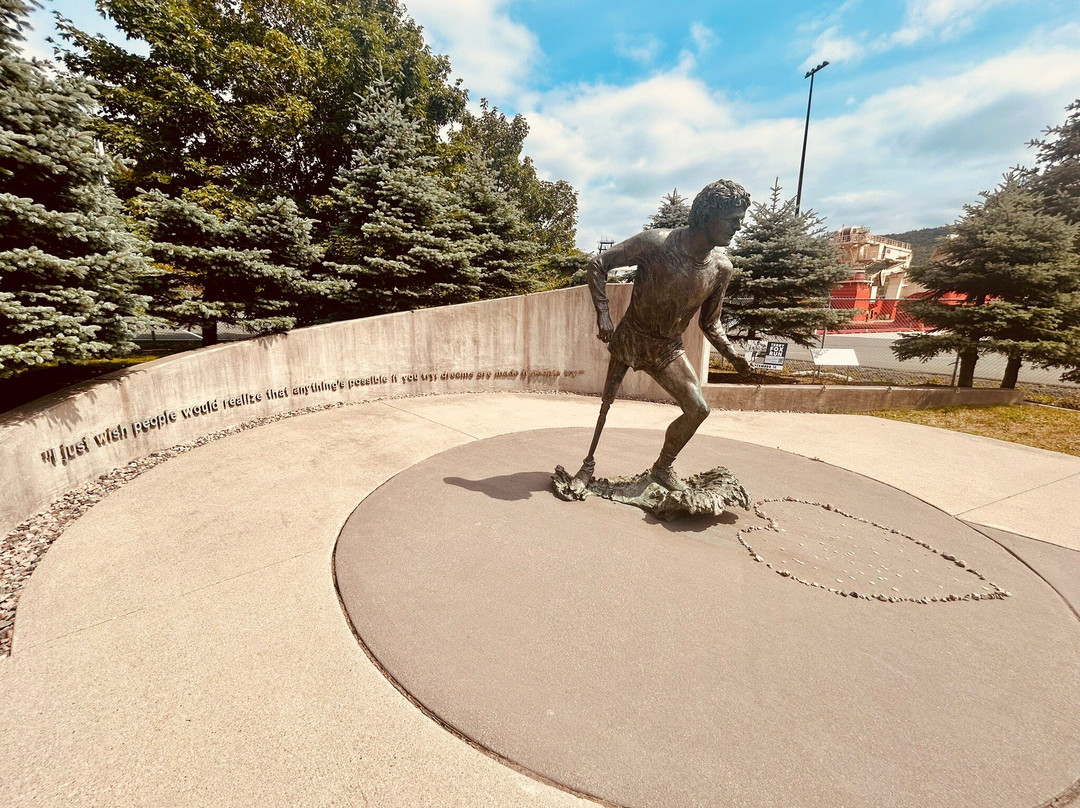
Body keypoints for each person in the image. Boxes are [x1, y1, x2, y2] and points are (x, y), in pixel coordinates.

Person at [579, 179, 753, 492]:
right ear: (707, 216)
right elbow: (598, 264)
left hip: (668, 349)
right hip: (632, 337)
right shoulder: (656, 243)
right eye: (731, 220)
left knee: (699, 409)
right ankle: (587, 465)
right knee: (606, 403)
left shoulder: (721, 268)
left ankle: (662, 467)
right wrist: (604, 314)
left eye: (740, 220)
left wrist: (732, 355)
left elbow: (710, 323)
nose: (737, 228)